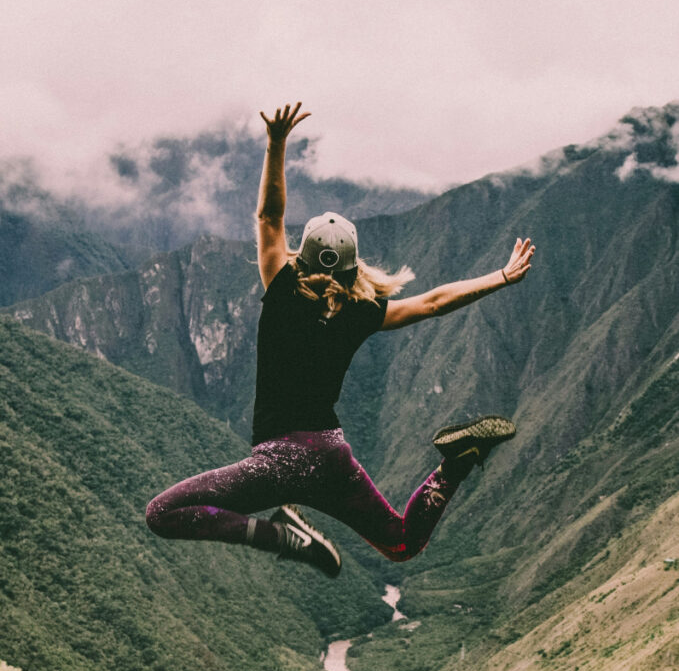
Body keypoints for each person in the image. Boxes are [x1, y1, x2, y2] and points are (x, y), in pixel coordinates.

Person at [146, 102, 535, 577]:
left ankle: (280, 536)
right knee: (401, 542)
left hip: (279, 462)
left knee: (162, 514)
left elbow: (270, 216)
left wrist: (276, 142)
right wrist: (500, 276)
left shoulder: (284, 289)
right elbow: (433, 302)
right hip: (332, 457)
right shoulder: (362, 311)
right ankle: (454, 465)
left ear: (301, 257)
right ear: (354, 265)